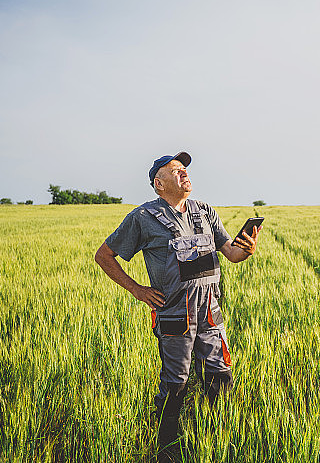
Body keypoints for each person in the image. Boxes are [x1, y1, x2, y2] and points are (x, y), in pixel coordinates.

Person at [94, 151, 261, 462]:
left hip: (210, 312)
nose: (184, 173)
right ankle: (167, 449)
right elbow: (103, 256)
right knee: (177, 382)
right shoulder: (142, 218)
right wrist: (138, 290)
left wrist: (246, 250)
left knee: (220, 374)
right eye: (176, 171)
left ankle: (216, 437)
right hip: (174, 316)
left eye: (185, 169)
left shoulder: (205, 212)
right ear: (159, 184)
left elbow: (231, 254)